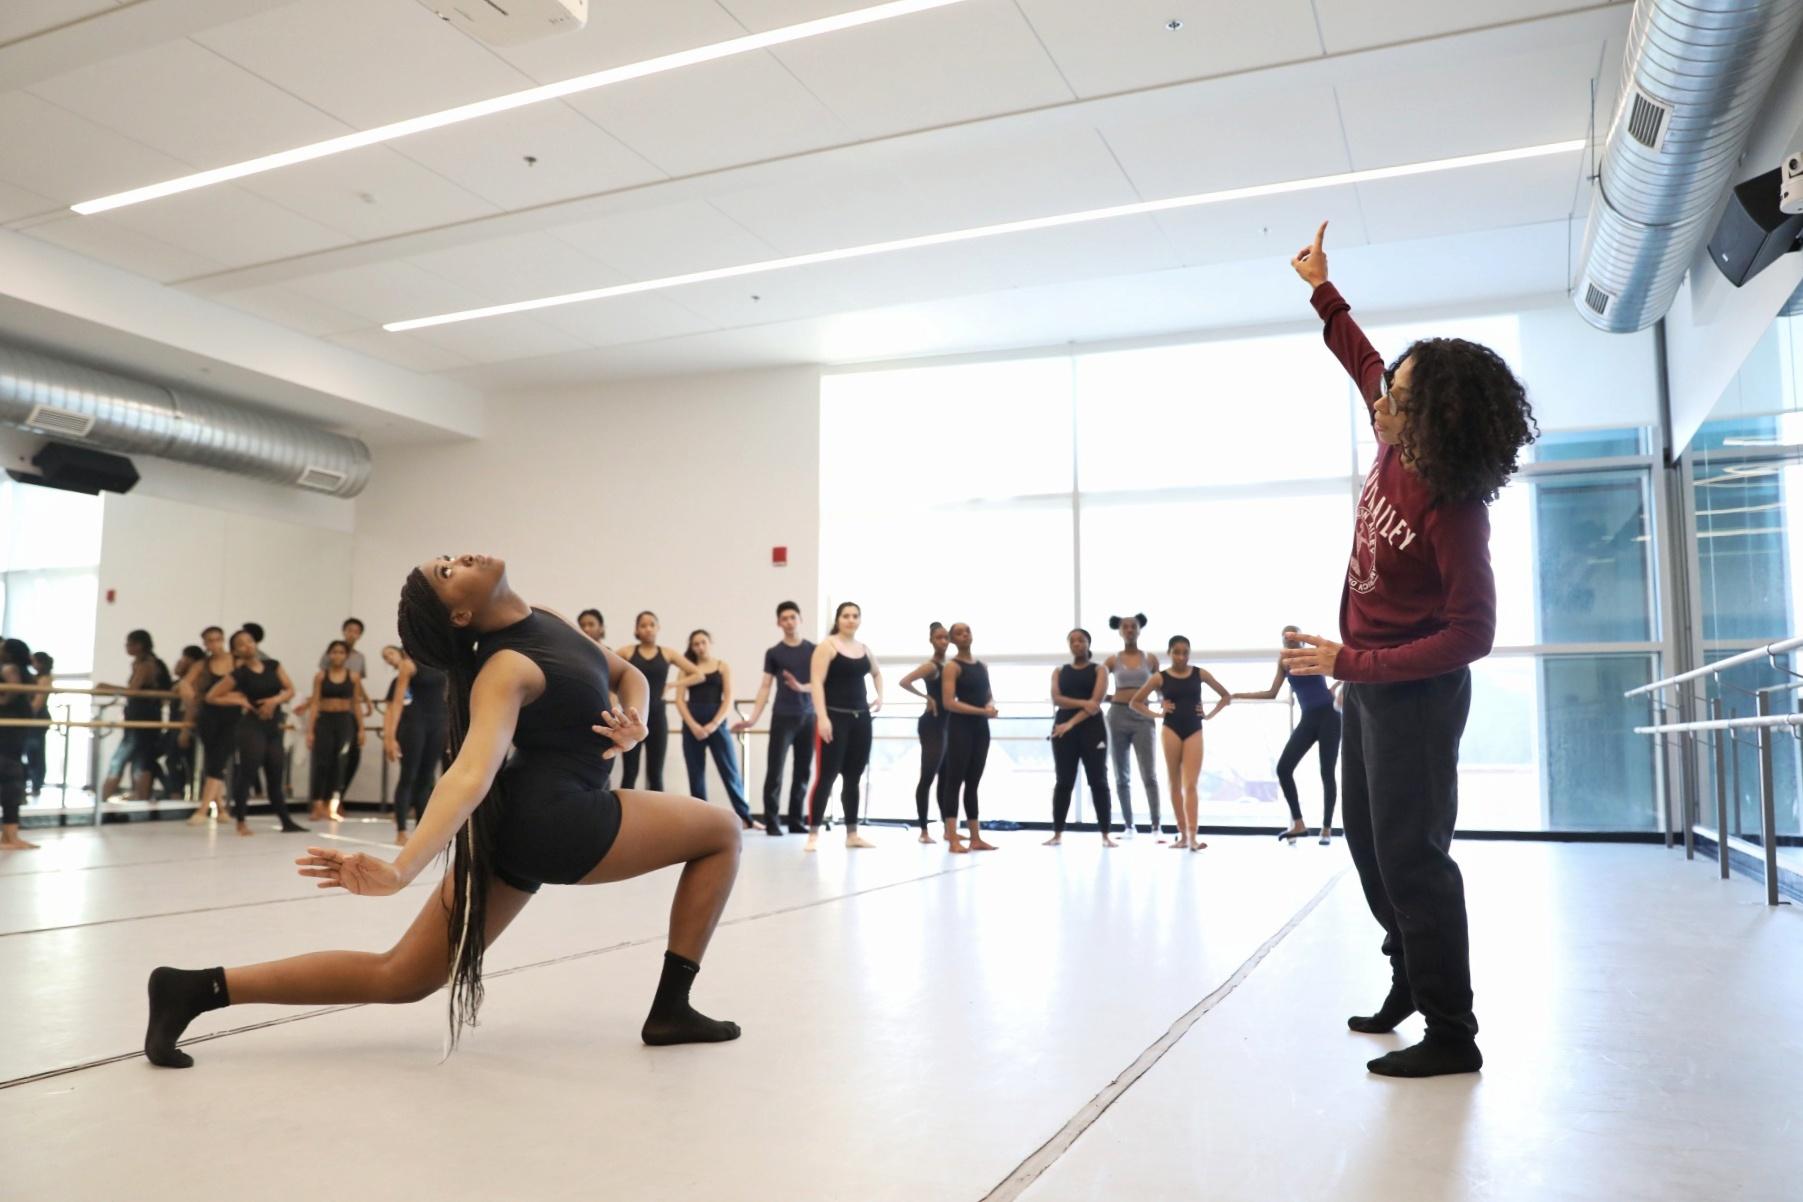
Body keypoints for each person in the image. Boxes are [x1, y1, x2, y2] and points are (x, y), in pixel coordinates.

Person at [143, 553, 742, 1069]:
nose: (464, 559)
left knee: (402, 976)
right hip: (559, 818)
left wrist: (634, 722)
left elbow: (627, 672)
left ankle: (195, 988)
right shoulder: (505, 668)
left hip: (519, 824)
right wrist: (401, 869)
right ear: (460, 614)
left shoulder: (550, 619)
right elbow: (469, 773)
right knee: (722, 832)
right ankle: (671, 1010)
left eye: (450, 558)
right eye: (448, 571)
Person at [1283, 221, 1533, 1078]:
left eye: (1398, 390)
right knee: (1365, 843)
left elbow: (1473, 634)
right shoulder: (1394, 432)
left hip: (1416, 695)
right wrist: (1322, 287)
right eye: (1389, 385)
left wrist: (1351, 665)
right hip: (1369, 688)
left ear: (1432, 418)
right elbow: (1358, 358)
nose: (1380, 392)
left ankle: (1452, 1034)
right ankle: (1408, 981)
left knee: (1412, 857)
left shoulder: (1453, 503)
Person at [1234, 627, 1343, 844]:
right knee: (1284, 769)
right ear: (1283, 641)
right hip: (1309, 719)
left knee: (1327, 772)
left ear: (1301, 640)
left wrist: (1336, 687)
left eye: (1294, 637)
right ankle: (1299, 823)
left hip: (1330, 716)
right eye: (1287, 638)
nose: (1291, 642)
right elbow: (1271, 693)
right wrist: (1237, 695)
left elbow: (1342, 667)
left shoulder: (1313, 654)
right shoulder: (1284, 663)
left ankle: (1326, 828)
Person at [1130, 636, 1230, 852]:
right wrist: (1157, 714)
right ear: (1169, 653)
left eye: (1185, 652)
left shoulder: (1199, 673)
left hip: (1194, 729)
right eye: (1177, 652)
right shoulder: (1160, 677)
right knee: (1175, 782)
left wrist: (1209, 714)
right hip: (1171, 729)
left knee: (1190, 784)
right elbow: (1135, 702)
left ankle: (1193, 836)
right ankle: (1183, 835)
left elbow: (1225, 695)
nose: (1181, 656)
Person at [731, 602, 815, 837]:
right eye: (784, 618)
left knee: (802, 771)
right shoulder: (775, 653)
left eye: (793, 617)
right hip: (783, 717)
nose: (789, 622)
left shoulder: (814, 650)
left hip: (809, 717)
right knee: (775, 770)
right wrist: (752, 719)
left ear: (800, 619)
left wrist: (801, 687)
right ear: (779, 623)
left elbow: (820, 684)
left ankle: (797, 820)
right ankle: (772, 821)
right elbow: (765, 687)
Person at [207, 629, 303, 835]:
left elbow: (289, 690)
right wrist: (239, 699)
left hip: (273, 725)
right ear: (235, 651)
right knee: (248, 772)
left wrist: (273, 701)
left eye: (249, 641)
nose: (247, 645)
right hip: (251, 726)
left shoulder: (273, 665)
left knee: (276, 771)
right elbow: (212, 696)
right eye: (241, 644)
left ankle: (286, 821)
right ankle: (241, 820)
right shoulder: (239, 674)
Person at [804, 602, 882, 852]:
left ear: (859, 620)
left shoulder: (864, 649)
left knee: (853, 777)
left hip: (861, 719)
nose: (850, 620)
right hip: (835, 718)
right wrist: (823, 717)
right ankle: (813, 834)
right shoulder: (827, 646)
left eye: (855, 616)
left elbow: (877, 673)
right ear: (838, 620)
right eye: (846, 616)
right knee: (827, 775)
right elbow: (816, 681)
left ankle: (852, 833)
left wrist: (880, 696)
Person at [676, 630, 756, 830]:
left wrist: (713, 724)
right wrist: (693, 725)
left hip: (717, 722)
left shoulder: (722, 666)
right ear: (692, 647)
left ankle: (745, 817)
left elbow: (728, 698)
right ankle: (700, 817)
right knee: (696, 773)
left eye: (703, 642)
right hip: (692, 724)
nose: (700, 647)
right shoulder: (687, 669)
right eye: (696, 644)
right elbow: (679, 700)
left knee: (730, 770)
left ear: (710, 643)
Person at [615, 612, 703, 792]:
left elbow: (698, 675)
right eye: (643, 625)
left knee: (656, 773)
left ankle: (657, 819)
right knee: (630, 772)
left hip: (657, 717)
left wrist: (672, 684)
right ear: (637, 630)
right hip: (631, 718)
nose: (648, 628)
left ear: (658, 628)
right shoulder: (627, 651)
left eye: (651, 624)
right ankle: (624, 818)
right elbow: (605, 666)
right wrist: (616, 695)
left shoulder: (668, 653)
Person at [1047, 628, 1114, 847]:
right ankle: (1057, 833)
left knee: (1098, 781)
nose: (1077, 644)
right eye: (1073, 641)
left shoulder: (1100, 670)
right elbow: (1057, 699)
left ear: (1088, 643)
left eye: (1081, 640)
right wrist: (1082, 703)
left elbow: (1095, 704)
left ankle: (1105, 834)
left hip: (1091, 729)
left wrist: (1071, 722)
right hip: (1062, 730)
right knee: (1063, 781)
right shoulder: (1059, 671)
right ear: (1069, 645)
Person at [939, 622, 998, 854]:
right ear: (953, 640)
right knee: (954, 781)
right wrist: (982, 711)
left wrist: (990, 708)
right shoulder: (952, 667)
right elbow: (949, 702)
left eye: (967, 631)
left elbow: (988, 695)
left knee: (973, 783)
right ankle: (953, 837)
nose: (964, 635)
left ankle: (975, 837)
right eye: (959, 633)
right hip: (959, 727)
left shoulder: (982, 666)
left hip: (980, 728)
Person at [384, 645, 449, 847]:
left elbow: (450, 697)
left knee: (428, 777)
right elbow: (396, 702)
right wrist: (390, 737)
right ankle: (402, 831)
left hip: (439, 723)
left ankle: (422, 830)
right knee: (408, 776)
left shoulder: (444, 663)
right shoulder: (408, 664)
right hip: (414, 724)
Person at [1104, 614, 1161, 839]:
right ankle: (1129, 826)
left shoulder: (1151, 659)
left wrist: (1163, 704)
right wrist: (1110, 698)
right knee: (1121, 774)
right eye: (1125, 627)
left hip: (1143, 716)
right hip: (1117, 715)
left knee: (1149, 773)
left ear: (1139, 630)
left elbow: (1160, 687)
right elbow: (1096, 686)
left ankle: (1156, 826)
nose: (1129, 630)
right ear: (1119, 631)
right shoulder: (1111, 661)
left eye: (1133, 627)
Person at [98, 630, 171, 804]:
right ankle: (139, 800)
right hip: (143, 718)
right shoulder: (145, 663)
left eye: (129, 643)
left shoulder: (146, 665)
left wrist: (108, 687)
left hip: (142, 720)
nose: (127, 647)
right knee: (141, 760)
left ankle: (103, 802)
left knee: (122, 759)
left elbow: (134, 690)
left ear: (139, 645)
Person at [897, 622, 951, 844]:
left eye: (946, 638)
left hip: (948, 725)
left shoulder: (950, 664)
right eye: (939, 638)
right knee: (928, 776)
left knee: (946, 778)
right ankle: (923, 831)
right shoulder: (932, 666)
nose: (944, 641)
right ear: (931, 640)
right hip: (932, 724)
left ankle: (949, 830)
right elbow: (904, 681)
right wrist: (925, 697)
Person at [182, 627, 239, 826]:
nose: (214, 644)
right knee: (213, 762)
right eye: (210, 641)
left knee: (218, 761)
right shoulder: (202, 665)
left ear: (223, 640)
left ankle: (203, 809)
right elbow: (185, 684)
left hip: (232, 717)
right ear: (205, 644)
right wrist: (192, 699)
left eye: (217, 640)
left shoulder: (235, 661)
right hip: (209, 717)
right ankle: (221, 808)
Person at [306, 640, 368, 823]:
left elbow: (355, 703)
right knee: (321, 762)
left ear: (346, 656)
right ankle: (317, 804)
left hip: (345, 721)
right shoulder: (320, 676)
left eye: (341, 652)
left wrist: (361, 728)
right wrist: (310, 730)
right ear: (328, 655)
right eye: (334, 652)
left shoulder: (354, 677)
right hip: (324, 720)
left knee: (340, 763)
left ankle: (332, 805)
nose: (337, 655)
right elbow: (315, 702)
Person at [326, 619, 372, 807]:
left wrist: (366, 700)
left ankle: (339, 797)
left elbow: (357, 683)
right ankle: (326, 798)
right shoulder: (332, 651)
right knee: (332, 755)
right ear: (344, 631)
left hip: (352, 710)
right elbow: (325, 680)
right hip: (333, 710)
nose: (352, 634)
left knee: (352, 754)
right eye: (349, 630)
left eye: (356, 631)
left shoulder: (359, 658)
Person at [0, 639, 38, 850]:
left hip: (9, 728)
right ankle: (9, 834)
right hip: (15, 727)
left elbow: (12, 688)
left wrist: (4, 701)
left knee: (9, 774)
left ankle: (10, 835)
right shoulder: (26, 672)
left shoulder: (10, 668)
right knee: (11, 775)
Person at [160, 644, 204, 803]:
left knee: (188, 761)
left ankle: (181, 794)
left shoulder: (194, 682)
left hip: (185, 725)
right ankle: (175, 792)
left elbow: (191, 706)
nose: (180, 661)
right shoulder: (181, 682)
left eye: (184, 658)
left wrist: (185, 730)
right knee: (172, 759)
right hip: (176, 725)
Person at [24, 651, 52, 798]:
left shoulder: (44, 679)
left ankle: (36, 784)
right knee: (32, 753)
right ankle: (34, 783)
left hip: (37, 720)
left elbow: (38, 703)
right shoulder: (36, 677)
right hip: (35, 719)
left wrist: (29, 713)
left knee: (35, 754)